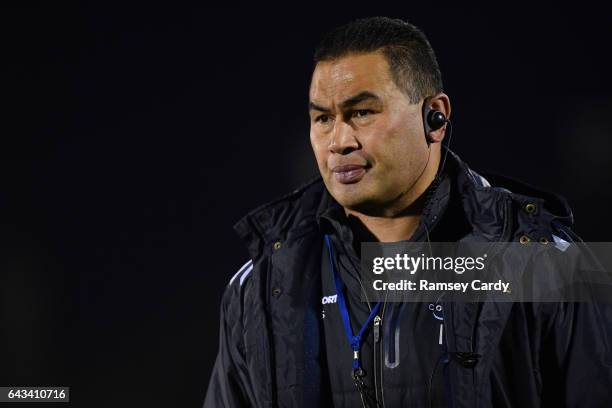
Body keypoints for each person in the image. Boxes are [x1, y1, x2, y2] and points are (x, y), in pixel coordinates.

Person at [204, 17, 612, 407]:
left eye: (362, 113)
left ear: (434, 116)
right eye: (323, 118)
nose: (339, 141)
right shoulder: (261, 285)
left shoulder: (546, 266)